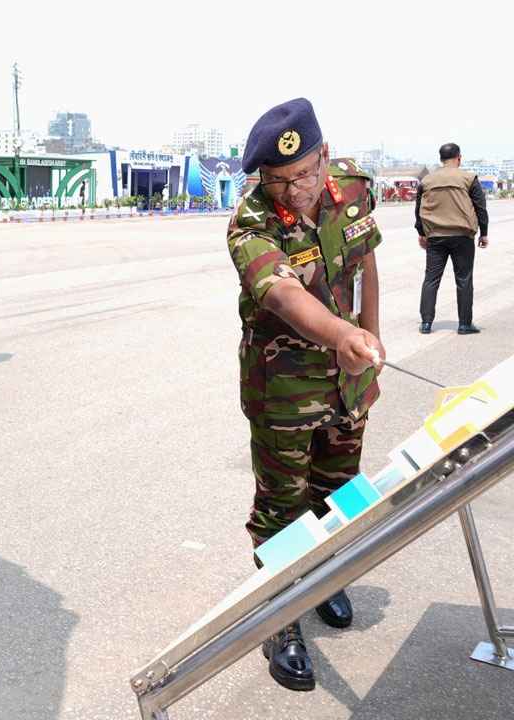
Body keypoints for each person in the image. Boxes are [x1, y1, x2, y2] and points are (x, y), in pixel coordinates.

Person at [227, 98, 384, 692]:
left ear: (323, 154)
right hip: (284, 390)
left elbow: (367, 264)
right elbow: (283, 298)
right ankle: (281, 621)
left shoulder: (353, 188)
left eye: (303, 176)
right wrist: (344, 333)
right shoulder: (250, 220)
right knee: (282, 507)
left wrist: (371, 342)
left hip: (348, 380)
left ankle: (323, 580)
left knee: (340, 493)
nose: (294, 191)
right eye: (278, 181)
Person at [416, 142, 489, 335]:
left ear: (441, 159)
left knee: (431, 279)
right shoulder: (468, 178)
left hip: (436, 237)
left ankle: (426, 324)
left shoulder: (427, 180)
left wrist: (421, 233)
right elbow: (480, 207)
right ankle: (464, 324)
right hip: (462, 236)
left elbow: (418, 210)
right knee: (464, 279)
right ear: (459, 158)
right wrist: (484, 233)